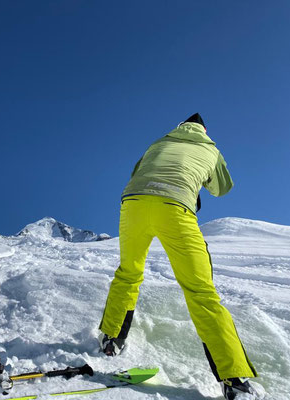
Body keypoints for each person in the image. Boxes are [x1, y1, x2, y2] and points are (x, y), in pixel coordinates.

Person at [98, 113, 258, 400]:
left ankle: (111, 339)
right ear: (204, 130)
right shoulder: (211, 149)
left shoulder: (158, 142)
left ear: (180, 126)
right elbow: (222, 188)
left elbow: (137, 172)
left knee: (128, 272)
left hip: (133, 203)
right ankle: (234, 378)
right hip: (175, 209)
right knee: (200, 291)